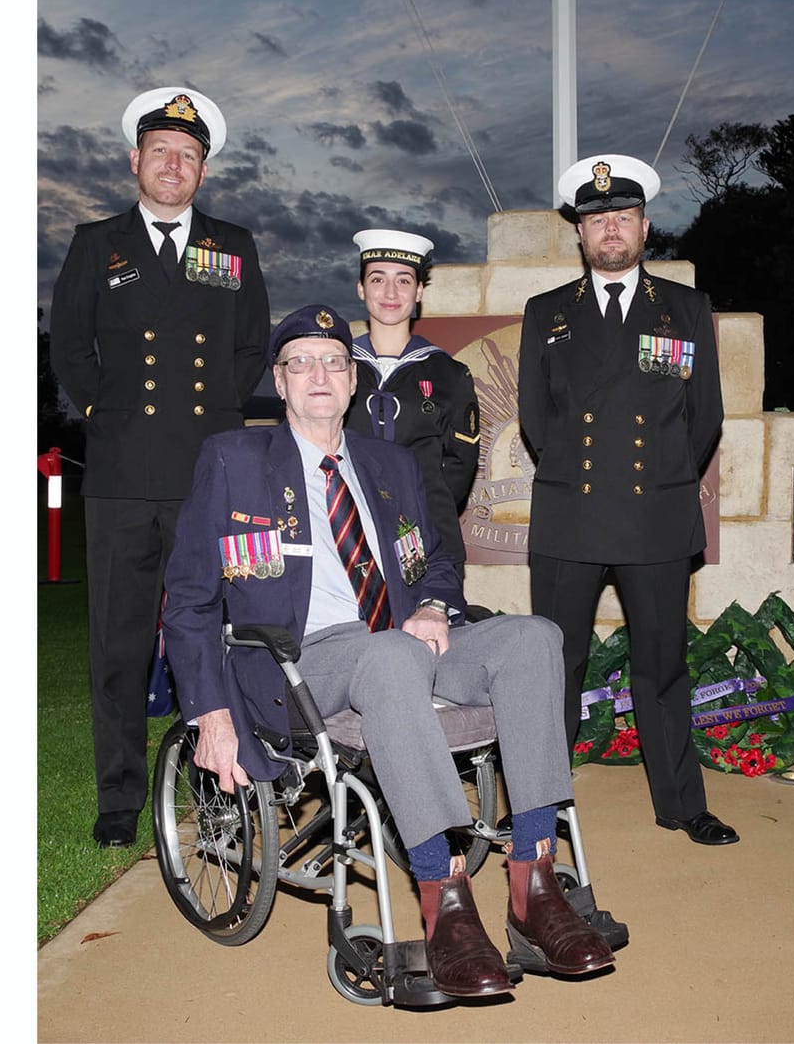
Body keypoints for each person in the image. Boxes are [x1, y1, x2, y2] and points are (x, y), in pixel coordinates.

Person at [163, 305, 616, 997]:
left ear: (353, 383)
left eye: (335, 362)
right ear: (280, 383)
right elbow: (190, 596)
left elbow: (437, 559)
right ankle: (445, 895)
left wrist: (436, 603)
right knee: (390, 657)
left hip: (409, 640)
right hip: (304, 661)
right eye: (302, 363)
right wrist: (209, 712)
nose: (320, 375)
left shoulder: (392, 463)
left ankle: (536, 883)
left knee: (535, 636)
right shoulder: (232, 460)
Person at [49, 86, 271, 848]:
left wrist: (209, 423)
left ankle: (220, 791)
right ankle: (118, 799)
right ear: (134, 160)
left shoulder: (233, 247)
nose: (173, 165)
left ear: (203, 171)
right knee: (118, 641)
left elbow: (250, 349)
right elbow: (70, 346)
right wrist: (107, 415)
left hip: (209, 472)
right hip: (120, 474)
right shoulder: (97, 243)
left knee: (212, 636)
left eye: (188, 155)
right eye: (160, 152)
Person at [517, 154, 736, 846]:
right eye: (596, 219)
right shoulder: (547, 312)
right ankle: (539, 805)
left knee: (662, 666)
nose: (610, 229)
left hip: (655, 517)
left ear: (645, 225)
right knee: (556, 665)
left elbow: (705, 417)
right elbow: (534, 420)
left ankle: (681, 803)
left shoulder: (685, 308)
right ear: (579, 234)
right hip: (570, 516)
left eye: (622, 217)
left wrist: (664, 478)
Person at [344, 228, 481, 577]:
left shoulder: (450, 374)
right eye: (378, 279)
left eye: (404, 281)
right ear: (361, 288)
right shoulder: (334, 365)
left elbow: (459, 468)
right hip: (346, 535)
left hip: (427, 538)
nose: (390, 292)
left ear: (419, 291)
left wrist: (415, 511)